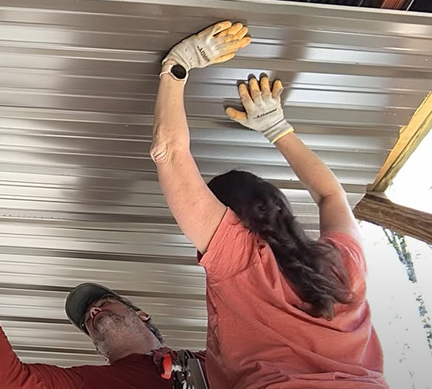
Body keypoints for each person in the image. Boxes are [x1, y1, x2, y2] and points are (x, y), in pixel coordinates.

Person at [150, 21, 388, 388]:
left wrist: (279, 127)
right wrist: (177, 68)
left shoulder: (348, 267)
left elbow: (331, 197)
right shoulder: (334, 266)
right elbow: (168, 154)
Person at [0, 265, 207, 388]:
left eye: (105, 303)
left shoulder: (213, 359)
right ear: (99, 352)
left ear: (142, 315)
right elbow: (13, 381)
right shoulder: (92, 382)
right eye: (88, 322)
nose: (94, 311)